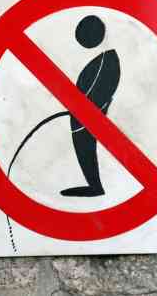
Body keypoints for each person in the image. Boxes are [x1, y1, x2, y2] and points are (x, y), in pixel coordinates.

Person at [61, 15, 120, 197]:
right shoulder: (103, 59)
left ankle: (95, 186)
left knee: (84, 139)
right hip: (83, 112)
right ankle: (94, 185)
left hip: (87, 114)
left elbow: (100, 91)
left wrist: (82, 111)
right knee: (83, 141)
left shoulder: (106, 60)